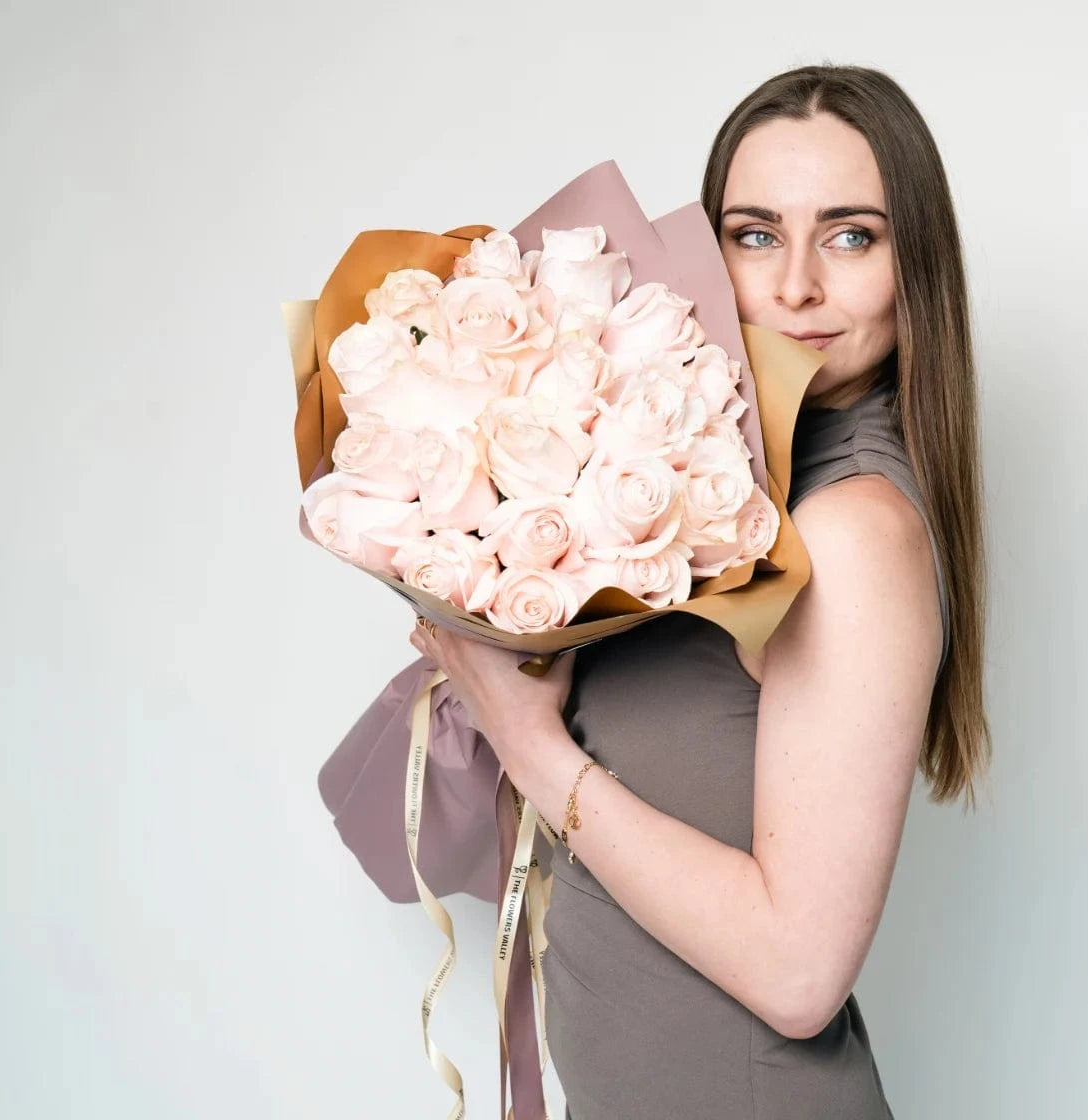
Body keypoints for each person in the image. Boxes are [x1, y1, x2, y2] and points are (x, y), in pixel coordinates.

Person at [414, 62, 991, 1120]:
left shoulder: (849, 531)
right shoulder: (724, 486)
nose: (795, 285)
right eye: (755, 233)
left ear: (917, 269)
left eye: (851, 234)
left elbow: (797, 973)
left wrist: (531, 744)